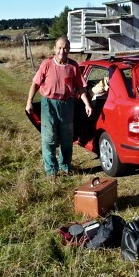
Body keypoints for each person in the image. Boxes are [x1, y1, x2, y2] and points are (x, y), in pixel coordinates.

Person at [25, 36, 93, 177]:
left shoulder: (73, 67)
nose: (63, 51)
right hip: (48, 104)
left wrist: (87, 104)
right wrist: (29, 101)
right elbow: (35, 84)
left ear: (69, 49)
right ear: (54, 49)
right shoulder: (46, 64)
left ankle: (65, 167)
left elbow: (81, 88)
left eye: (66, 48)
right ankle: (51, 171)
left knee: (67, 138)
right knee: (49, 137)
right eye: (60, 48)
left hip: (67, 104)